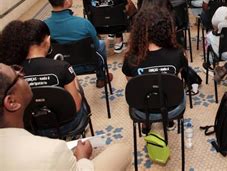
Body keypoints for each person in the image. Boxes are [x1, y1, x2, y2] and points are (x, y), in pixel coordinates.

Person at [0, 63, 131, 171]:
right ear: (11, 102)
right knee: (123, 150)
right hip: (70, 126)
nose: (22, 74)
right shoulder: (52, 150)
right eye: (17, 74)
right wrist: (82, 158)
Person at [43, 0, 112, 88]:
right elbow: (96, 46)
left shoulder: (44, 27)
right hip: (87, 65)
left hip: (58, 68)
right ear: (67, 1)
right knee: (101, 44)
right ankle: (101, 77)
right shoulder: (84, 24)